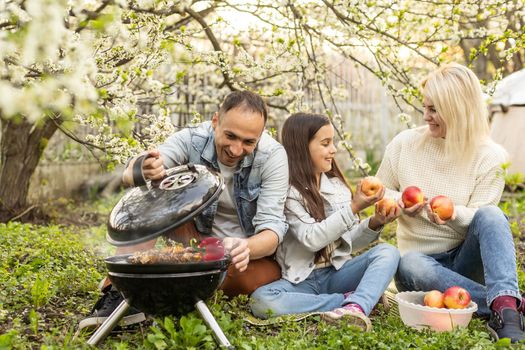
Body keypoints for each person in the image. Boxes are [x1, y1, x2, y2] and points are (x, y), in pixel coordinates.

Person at [79, 90, 289, 329]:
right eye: (230, 136)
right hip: (196, 241)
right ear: (215, 121)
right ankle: (119, 291)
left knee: (231, 282)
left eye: (248, 142)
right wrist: (142, 168)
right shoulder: (193, 139)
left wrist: (245, 247)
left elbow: (272, 232)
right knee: (153, 198)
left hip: (243, 255)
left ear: (260, 137)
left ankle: (160, 284)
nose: (236, 149)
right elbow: (144, 168)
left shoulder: (273, 157)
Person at [375, 63, 524, 342]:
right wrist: (400, 202)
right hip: (422, 268)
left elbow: (482, 217)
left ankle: (505, 311)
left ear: (456, 110)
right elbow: (381, 190)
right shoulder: (405, 144)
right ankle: (509, 304)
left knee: (492, 215)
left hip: (466, 260)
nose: (426, 116)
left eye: (434, 110)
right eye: (426, 107)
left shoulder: (489, 157)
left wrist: (453, 212)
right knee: (408, 264)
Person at [250, 113, 400, 331]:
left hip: (338, 272)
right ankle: (350, 302)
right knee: (261, 300)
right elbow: (312, 239)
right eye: (325, 143)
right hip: (301, 281)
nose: (334, 149)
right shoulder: (287, 193)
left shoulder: (337, 188)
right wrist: (354, 207)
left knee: (387, 252)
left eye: (333, 142)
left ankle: (356, 305)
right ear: (302, 147)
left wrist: (375, 221)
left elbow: (347, 242)